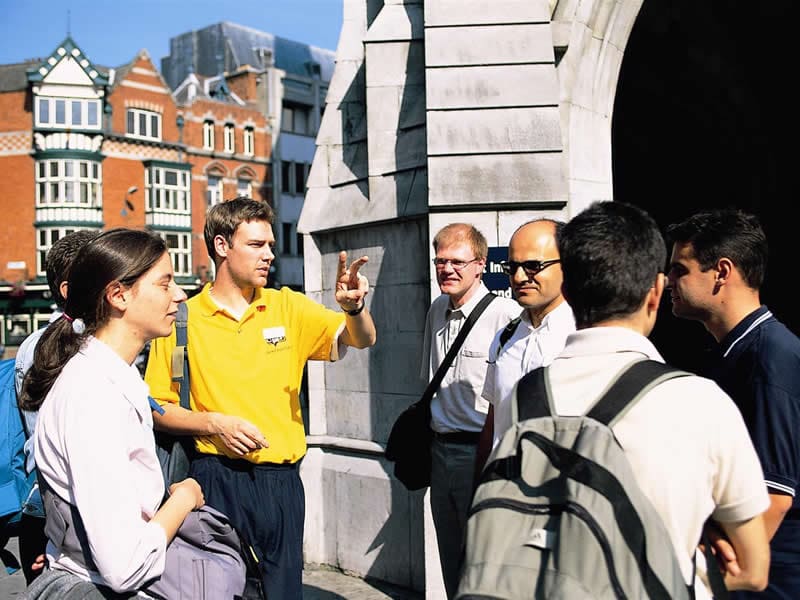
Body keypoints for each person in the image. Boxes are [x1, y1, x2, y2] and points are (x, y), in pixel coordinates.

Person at [144, 197, 377, 599]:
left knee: (283, 593)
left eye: (270, 245)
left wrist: (354, 310)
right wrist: (214, 424)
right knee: (218, 590)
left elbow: (360, 339)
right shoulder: (182, 318)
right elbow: (157, 409)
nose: (269, 254)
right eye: (256, 245)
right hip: (212, 480)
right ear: (221, 246)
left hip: (281, 485)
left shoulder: (287, 307)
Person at [541, 201, 770, 596]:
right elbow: (752, 568)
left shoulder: (524, 398)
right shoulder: (701, 401)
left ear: (566, 292)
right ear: (654, 292)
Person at [19, 228, 204, 596]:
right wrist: (184, 498)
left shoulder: (108, 374)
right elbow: (124, 566)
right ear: (119, 295)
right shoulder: (94, 393)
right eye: (165, 283)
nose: (180, 295)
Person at [667, 208, 800, 598]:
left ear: (722, 272)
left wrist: (711, 579)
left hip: (769, 581)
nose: (668, 280)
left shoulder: (770, 355)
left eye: (680, 269)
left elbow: (773, 496)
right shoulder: (733, 352)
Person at [420, 223, 519, 598]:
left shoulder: (505, 316)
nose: (447, 269)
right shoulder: (436, 311)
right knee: (451, 559)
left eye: (457, 262)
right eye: (440, 261)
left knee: (483, 559)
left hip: (479, 452)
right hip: (439, 453)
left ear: (480, 265)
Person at [13, 230, 99, 585]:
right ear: (69, 290)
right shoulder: (61, 348)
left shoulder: (32, 343)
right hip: (67, 516)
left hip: (48, 511)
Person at [477, 219, 575, 470]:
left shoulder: (582, 335)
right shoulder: (504, 337)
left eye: (533, 266)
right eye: (512, 267)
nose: (520, 277)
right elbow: (494, 418)